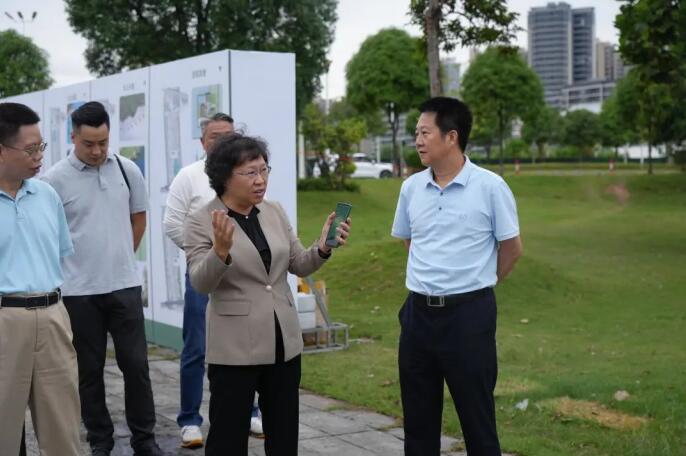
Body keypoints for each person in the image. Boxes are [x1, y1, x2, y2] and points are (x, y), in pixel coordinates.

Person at [184, 133, 351, 455]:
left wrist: (323, 246)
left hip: (283, 342)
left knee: (284, 435)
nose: (260, 180)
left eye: (264, 170)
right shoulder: (202, 221)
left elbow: (298, 264)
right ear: (224, 177)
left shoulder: (273, 211)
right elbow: (200, 283)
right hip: (234, 349)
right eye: (250, 173)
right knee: (228, 439)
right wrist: (219, 252)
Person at [391, 97, 522, 456]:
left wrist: (476, 283)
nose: (417, 140)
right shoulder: (411, 188)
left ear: (451, 136)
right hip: (418, 316)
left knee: (477, 421)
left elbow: (511, 249)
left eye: (424, 132)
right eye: (415, 133)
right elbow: (409, 240)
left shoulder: (490, 186)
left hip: (468, 318)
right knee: (418, 424)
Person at [41, 101, 163, 456]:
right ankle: (101, 441)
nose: (97, 151)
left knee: (137, 367)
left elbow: (138, 219)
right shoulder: (53, 182)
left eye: (103, 142)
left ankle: (145, 440)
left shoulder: (127, 170)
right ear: (73, 137)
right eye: (89, 143)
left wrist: (121, 256)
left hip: (124, 287)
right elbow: (50, 238)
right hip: (79, 293)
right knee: (88, 373)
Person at [164, 112, 264, 448]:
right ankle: (190, 419)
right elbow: (173, 223)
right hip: (206, 272)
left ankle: (251, 410)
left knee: (248, 344)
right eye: (214, 136)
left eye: (228, 135)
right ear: (202, 141)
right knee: (196, 346)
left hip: (243, 276)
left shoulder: (247, 176)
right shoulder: (188, 177)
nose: (221, 141)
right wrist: (206, 251)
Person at [0, 102, 81, 455]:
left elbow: (58, 252)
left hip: (52, 316)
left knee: (62, 428)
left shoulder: (47, 196)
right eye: (30, 149)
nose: (39, 157)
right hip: (4, 321)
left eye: (41, 147)